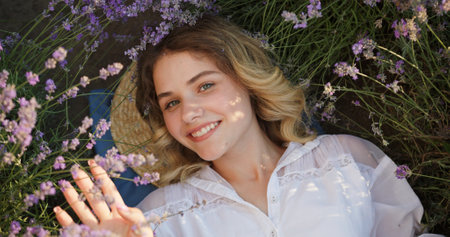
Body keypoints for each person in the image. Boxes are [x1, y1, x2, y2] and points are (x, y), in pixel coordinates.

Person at [54, 15, 429, 236]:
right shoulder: (156, 219)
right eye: (171, 103)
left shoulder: (347, 160)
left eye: (205, 85)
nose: (188, 113)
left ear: (246, 82)